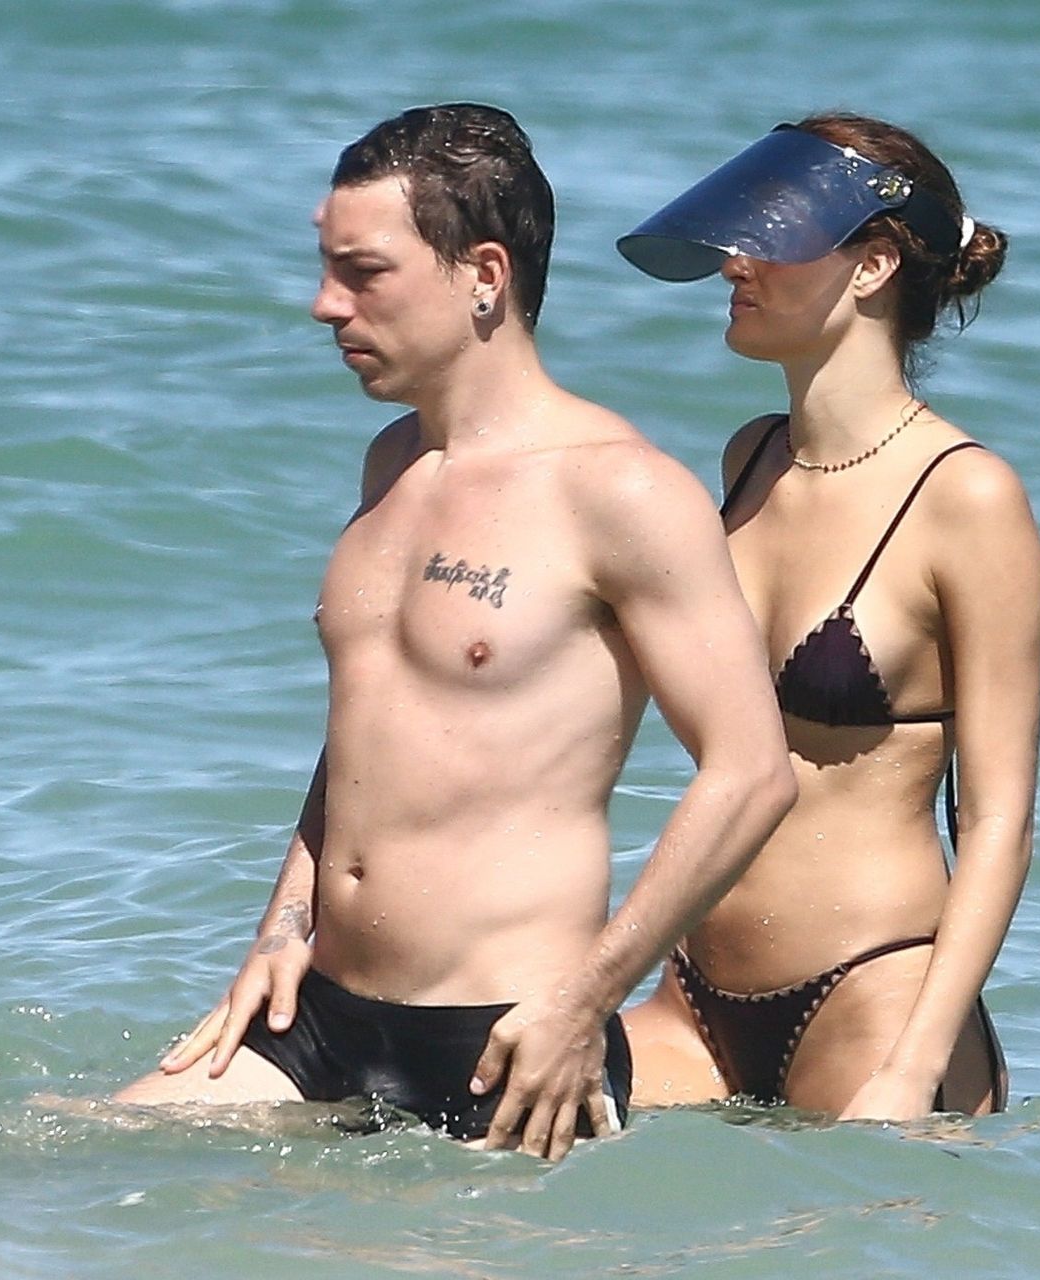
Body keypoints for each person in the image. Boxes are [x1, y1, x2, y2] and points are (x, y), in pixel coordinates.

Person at [113, 104, 796, 1161]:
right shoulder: (393, 463)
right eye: (327, 269)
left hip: (507, 1042)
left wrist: (585, 1002)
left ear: (484, 273)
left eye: (363, 272)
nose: (324, 303)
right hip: (316, 1015)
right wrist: (283, 927)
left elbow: (751, 774)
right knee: (37, 1173)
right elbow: (371, 728)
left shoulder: (620, 491)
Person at [616, 114, 1040, 1121]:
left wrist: (912, 1066)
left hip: (873, 1000)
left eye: (770, 239)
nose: (735, 264)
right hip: (695, 998)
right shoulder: (751, 459)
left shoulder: (967, 497)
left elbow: (999, 822)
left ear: (873, 266)